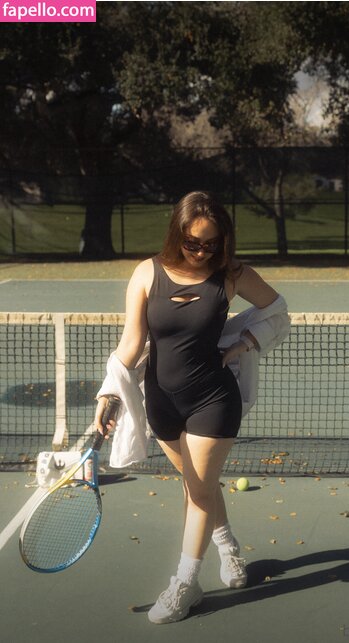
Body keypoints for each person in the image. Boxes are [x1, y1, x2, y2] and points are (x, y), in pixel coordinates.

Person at [95, 191, 285, 624]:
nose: (201, 252)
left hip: (213, 400)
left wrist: (245, 343)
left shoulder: (231, 275)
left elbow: (276, 309)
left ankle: (185, 584)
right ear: (177, 234)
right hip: (161, 403)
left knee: (197, 491)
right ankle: (227, 545)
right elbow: (131, 343)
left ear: (223, 241)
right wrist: (109, 392)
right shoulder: (147, 273)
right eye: (192, 243)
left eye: (211, 244)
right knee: (199, 484)